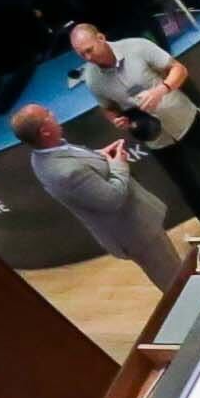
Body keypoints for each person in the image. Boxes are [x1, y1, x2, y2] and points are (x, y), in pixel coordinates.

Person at [65, 19, 200, 220]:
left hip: (183, 118)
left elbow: (178, 69)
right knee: (187, 186)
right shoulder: (93, 79)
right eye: (81, 54)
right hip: (154, 136)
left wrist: (161, 89)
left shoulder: (137, 46)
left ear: (101, 38)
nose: (88, 57)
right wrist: (117, 120)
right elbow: (108, 107)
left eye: (89, 50)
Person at [13, 101, 185, 290]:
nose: (53, 113)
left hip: (138, 224)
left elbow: (79, 162)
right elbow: (112, 199)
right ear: (45, 131)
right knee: (175, 281)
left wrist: (101, 156)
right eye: (47, 114)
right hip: (135, 233)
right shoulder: (64, 172)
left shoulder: (43, 154)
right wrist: (118, 164)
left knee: (177, 271)